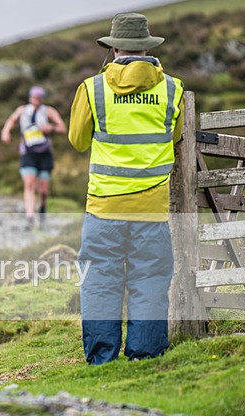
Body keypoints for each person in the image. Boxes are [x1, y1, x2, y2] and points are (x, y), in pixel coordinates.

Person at [68, 12, 184, 365]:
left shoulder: (92, 88)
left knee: (100, 278)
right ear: (148, 47)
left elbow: (77, 141)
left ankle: (101, 357)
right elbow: (175, 136)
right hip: (152, 207)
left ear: (114, 47)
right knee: (149, 277)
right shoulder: (173, 88)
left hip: (104, 207)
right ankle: (146, 355)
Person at [1, 85, 66, 230]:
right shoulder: (22, 110)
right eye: (33, 97)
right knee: (29, 184)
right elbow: (11, 121)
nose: (35, 100)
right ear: (30, 98)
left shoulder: (49, 111)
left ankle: (42, 207)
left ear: (42, 99)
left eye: (38, 98)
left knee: (43, 189)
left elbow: (62, 128)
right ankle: (29, 218)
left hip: (44, 153)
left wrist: (51, 128)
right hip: (28, 153)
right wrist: (5, 132)